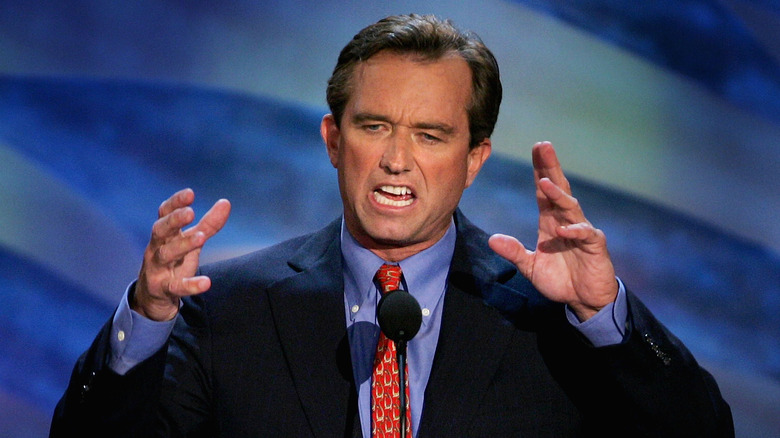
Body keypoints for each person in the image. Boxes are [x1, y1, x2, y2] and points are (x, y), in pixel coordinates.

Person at [50, 14, 733, 437]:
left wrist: (602, 313)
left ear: (473, 160)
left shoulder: (546, 315)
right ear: (332, 140)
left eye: (432, 135)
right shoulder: (225, 309)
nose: (397, 159)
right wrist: (146, 317)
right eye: (374, 126)